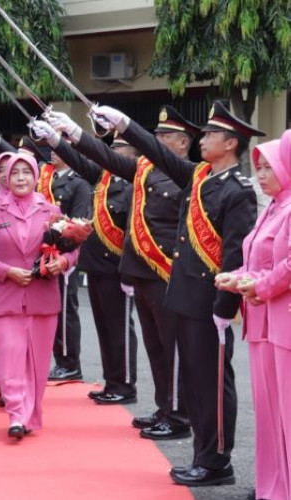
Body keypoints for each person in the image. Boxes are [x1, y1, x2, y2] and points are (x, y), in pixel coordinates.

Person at [92, 100, 261, 486]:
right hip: (185, 298)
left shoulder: (237, 191)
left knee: (212, 384)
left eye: (213, 134)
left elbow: (234, 254)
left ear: (232, 143)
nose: (205, 138)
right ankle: (204, 455)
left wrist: (224, 308)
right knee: (194, 383)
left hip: (210, 304)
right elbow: (155, 154)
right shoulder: (200, 177)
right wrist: (126, 127)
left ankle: (217, 462)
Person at [47, 106, 193, 440]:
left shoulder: (188, 172)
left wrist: (126, 124)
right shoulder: (144, 172)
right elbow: (101, 160)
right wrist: (67, 135)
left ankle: (179, 415)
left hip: (166, 272)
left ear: (183, 142)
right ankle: (164, 407)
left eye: (165, 137)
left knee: (170, 348)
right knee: (156, 347)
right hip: (141, 270)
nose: (158, 143)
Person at [31, 119, 138, 404]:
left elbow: (132, 232)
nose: (114, 154)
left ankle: (125, 385)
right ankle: (112, 381)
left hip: (118, 268)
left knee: (119, 330)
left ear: (134, 154)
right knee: (104, 329)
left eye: (120, 149)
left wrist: (130, 272)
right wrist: (55, 139)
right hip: (97, 266)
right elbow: (76, 160)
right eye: (112, 149)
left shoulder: (134, 184)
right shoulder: (104, 179)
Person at [0, 152, 78, 439]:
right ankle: (16, 414)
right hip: (3, 297)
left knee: (38, 363)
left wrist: (64, 262)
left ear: (35, 176)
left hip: (42, 298)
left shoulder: (51, 211)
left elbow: (71, 247)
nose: (20, 178)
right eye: (15, 173)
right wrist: (7, 272)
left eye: (26, 172)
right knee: (9, 358)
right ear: (6, 179)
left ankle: (31, 414)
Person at [215, 131, 291, 500]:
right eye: (258, 167)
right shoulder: (275, 206)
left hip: (282, 317)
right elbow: (261, 259)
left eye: (268, 168)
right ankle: (272, 487)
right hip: (264, 321)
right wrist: (242, 277)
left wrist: (258, 285)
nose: (260, 174)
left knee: (287, 414)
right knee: (269, 413)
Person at [35, 144, 91, 382]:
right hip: (41, 251)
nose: (54, 153)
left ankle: (69, 362)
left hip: (63, 252)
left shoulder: (78, 184)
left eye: (62, 149)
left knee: (66, 310)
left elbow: (78, 223)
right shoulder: (44, 179)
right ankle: (58, 358)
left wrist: (63, 250)